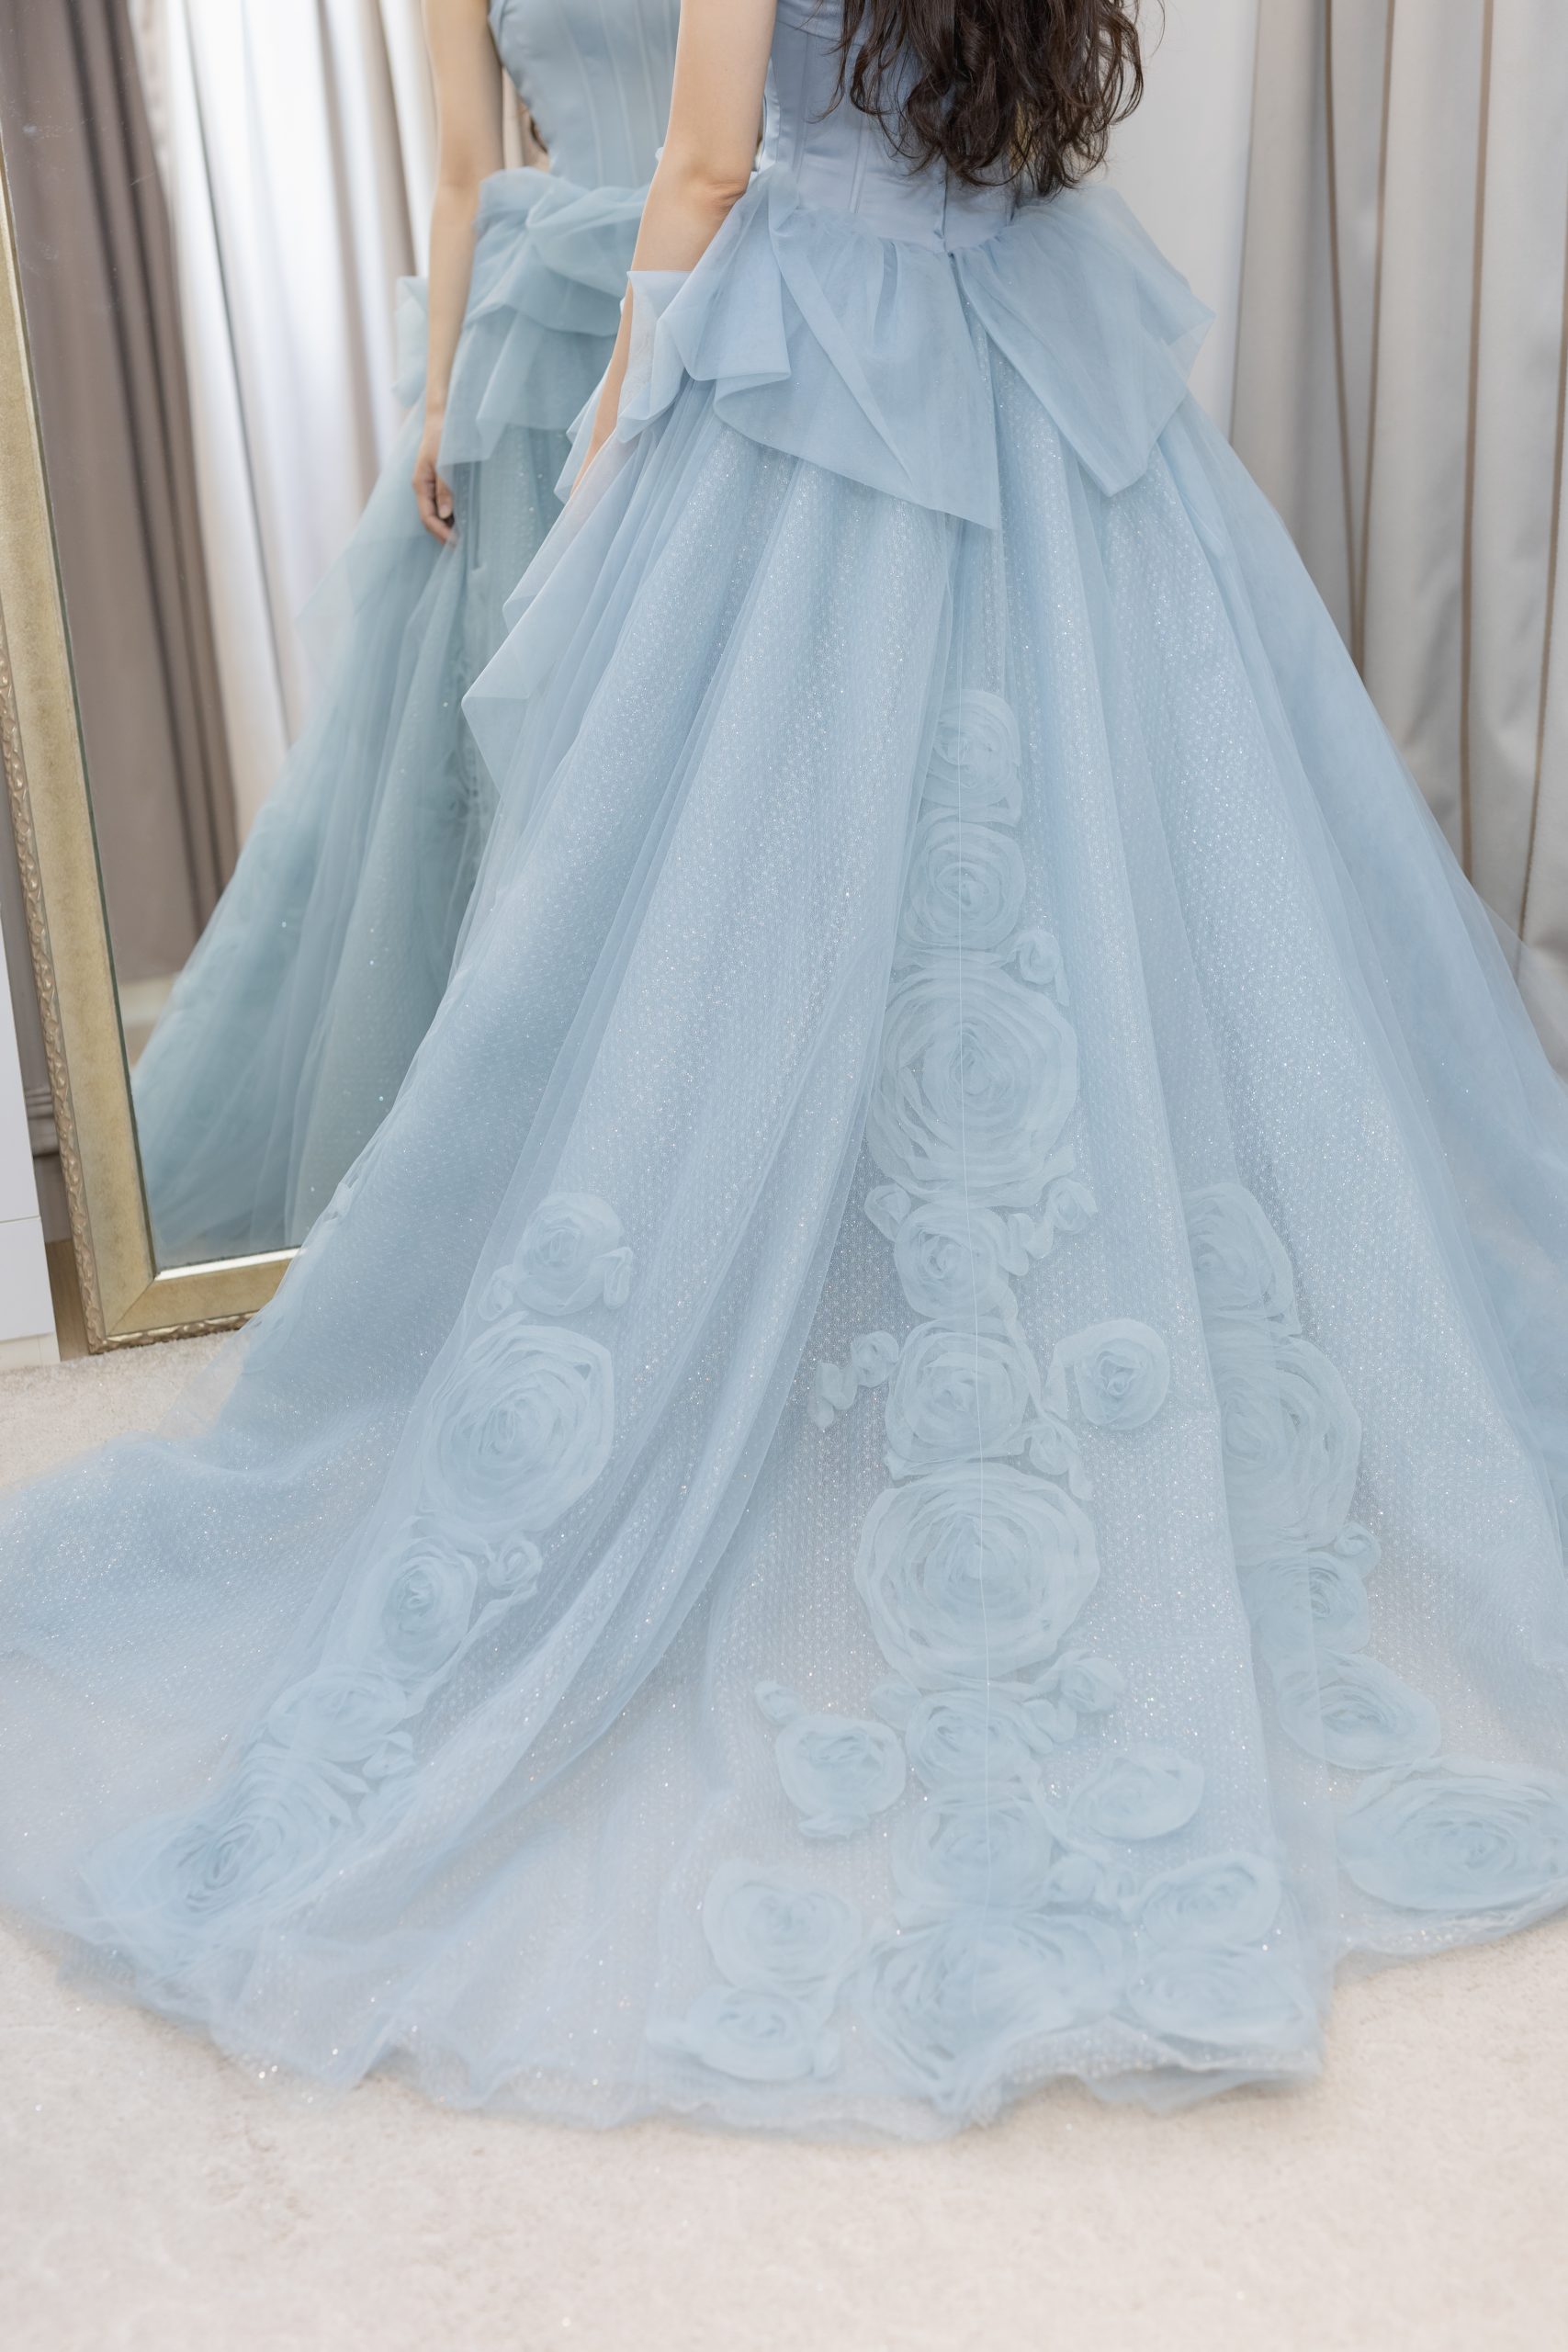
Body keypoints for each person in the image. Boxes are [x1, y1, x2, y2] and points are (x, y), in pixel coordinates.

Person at [6, 0, 1568, 2137]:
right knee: (1096, 922)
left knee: (746, 963)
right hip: (1023, 353)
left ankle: (797, 1428)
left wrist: (620, 418)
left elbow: (709, 160)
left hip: (814, 380)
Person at [132, 0, 681, 1265]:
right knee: (529, 754)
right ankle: (522, 1168)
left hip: (715, 291)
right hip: (546, 340)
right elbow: (464, 169)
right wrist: (438, 402)